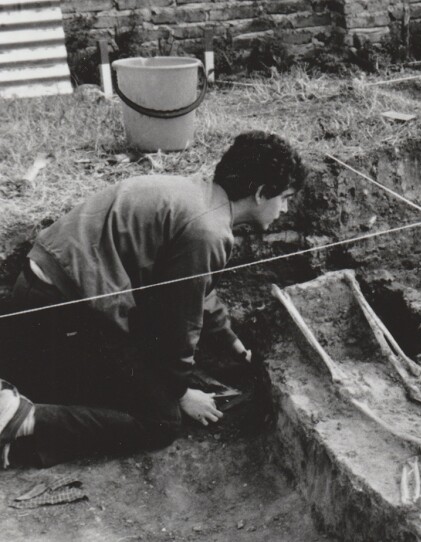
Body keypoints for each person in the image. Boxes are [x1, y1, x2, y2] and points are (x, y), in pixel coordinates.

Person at [0, 130, 307, 467]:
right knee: (160, 421)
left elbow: (197, 288)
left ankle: (20, 438)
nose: (286, 208)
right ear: (262, 193)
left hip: (43, 290)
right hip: (62, 311)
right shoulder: (208, 230)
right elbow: (178, 325)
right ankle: (24, 416)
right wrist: (179, 393)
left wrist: (228, 340)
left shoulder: (197, 196)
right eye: (286, 198)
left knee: (133, 376)